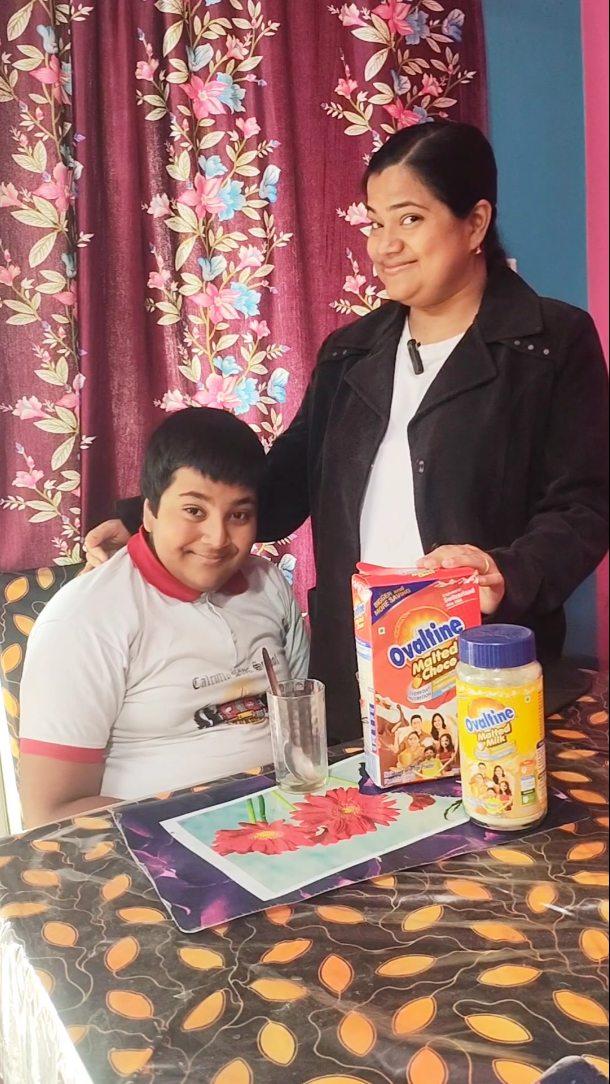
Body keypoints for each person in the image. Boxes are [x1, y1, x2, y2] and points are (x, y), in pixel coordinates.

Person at [83, 120, 609, 743]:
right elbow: (283, 486)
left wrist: (507, 571)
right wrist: (149, 520)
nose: (385, 246)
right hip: (357, 670)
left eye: (409, 219)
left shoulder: (549, 343)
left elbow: (585, 504)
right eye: (375, 223)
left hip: (485, 666)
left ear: (474, 223)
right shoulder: (349, 352)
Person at [19, 408, 309, 828]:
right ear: (149, 512)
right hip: (154, 849)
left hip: (292, 826)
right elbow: (50, 814)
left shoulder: (269, 585)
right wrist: (210, 830)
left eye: (238, 515)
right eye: (194, 511)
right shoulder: (84, 620)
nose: (217, 539)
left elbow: (301, 729)